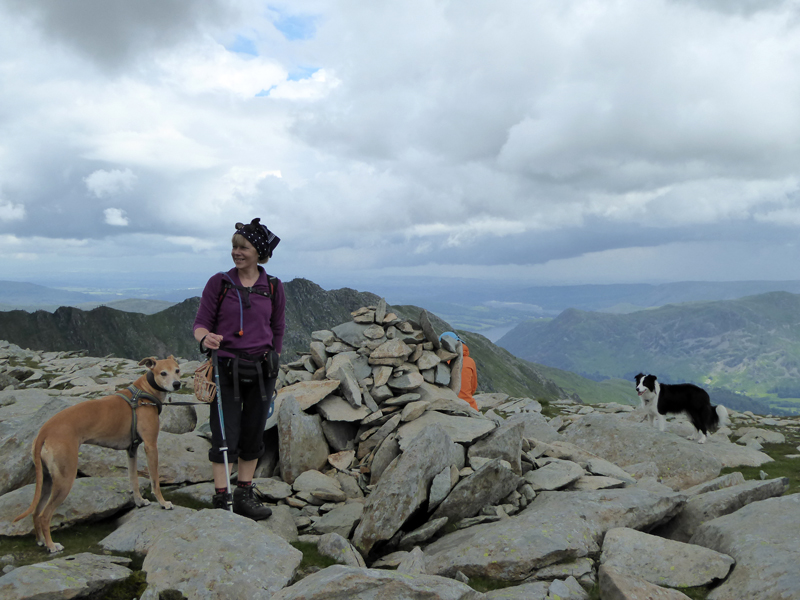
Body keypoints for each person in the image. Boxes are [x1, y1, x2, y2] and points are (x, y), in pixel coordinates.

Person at [192, 218, 285, 520]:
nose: (236, 252)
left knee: (253, 432)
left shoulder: (272, 286)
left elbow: (278, 328)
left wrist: (275, 357)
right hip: (225, 367)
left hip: (262, 371)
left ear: (259, 252)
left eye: (243, 247)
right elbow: (200, 324)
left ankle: (243, 492)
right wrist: (206, 337)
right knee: (224, 433)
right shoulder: (219, 283)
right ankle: (222, 499)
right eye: (234, 246)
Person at [459, 342, 479, 411]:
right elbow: (473, 386)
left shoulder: (443, 360)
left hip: (450, 404)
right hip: (469, 404)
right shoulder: (470, 361)